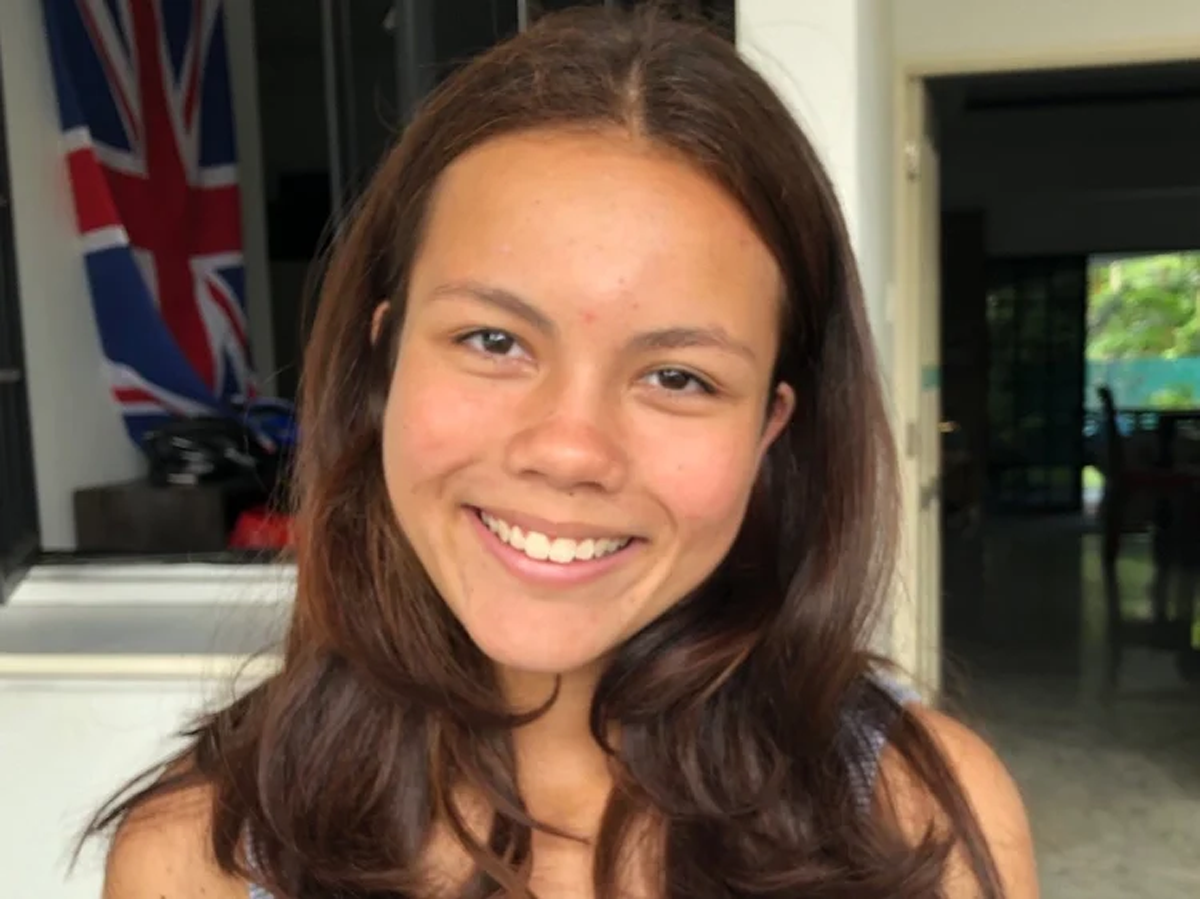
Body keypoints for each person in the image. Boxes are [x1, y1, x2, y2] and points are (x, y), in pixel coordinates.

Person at [93, 6, 1037, 898]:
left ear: (769, 427)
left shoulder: (915, 820)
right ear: (383, 362)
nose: (570, 449)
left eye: (678, 377)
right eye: (494, 340)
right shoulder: (203, 854)